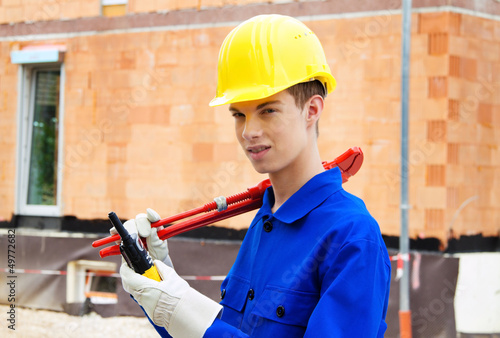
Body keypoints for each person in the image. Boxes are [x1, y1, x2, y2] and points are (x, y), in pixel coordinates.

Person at [118, 14, 391, 337]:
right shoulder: (266, 218)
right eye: (238, 115)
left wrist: (185, 312)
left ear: (312, 110)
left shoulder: (352, 236)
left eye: (267, 110)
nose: (249, 131)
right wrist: (159, 283)